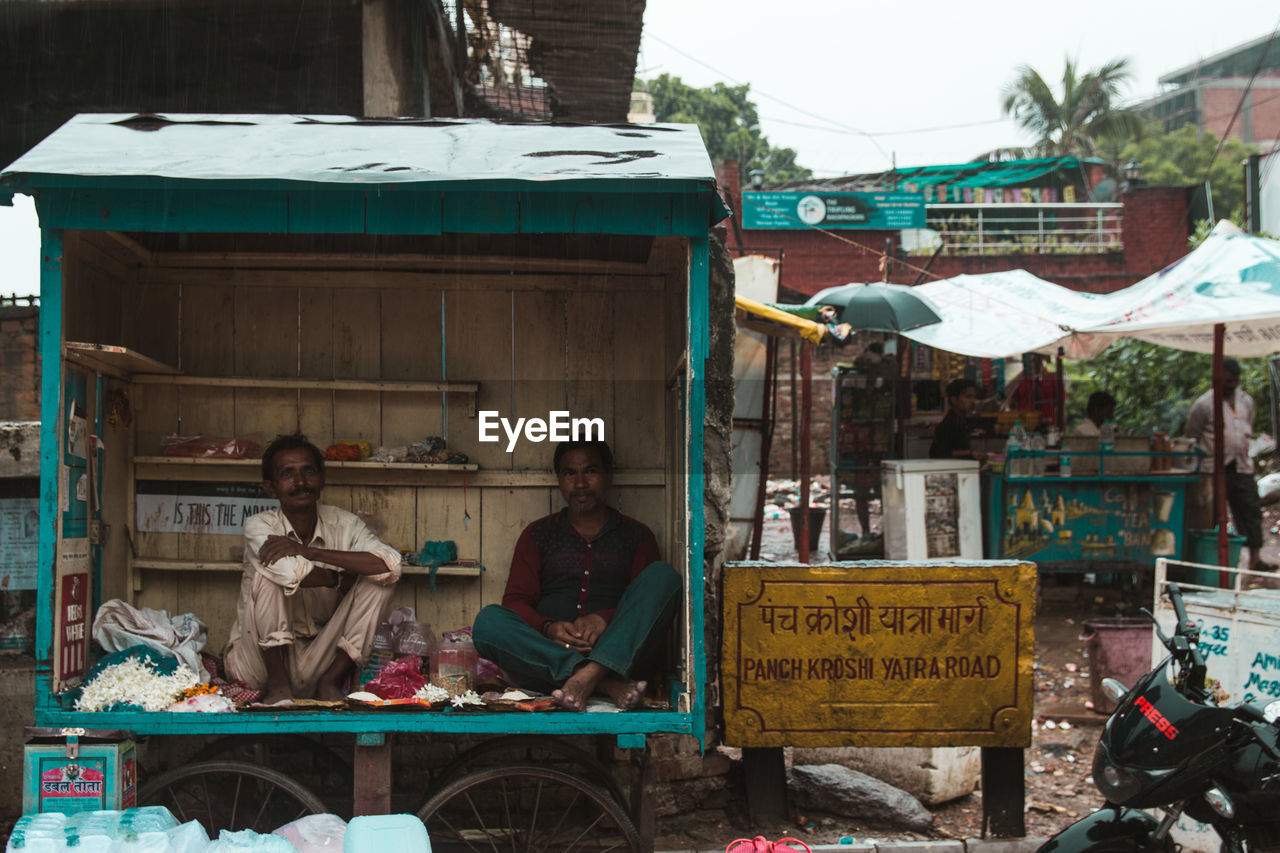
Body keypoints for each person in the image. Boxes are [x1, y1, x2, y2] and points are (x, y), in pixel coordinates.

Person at [472, 440, 682, 711]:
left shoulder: (637, 536)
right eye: (570, 473)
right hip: (546, 660)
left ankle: (591, 676)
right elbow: (515, 602)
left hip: (622, 660)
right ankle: (598, 682)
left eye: (591, 471)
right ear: (560, 479)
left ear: (608, 476)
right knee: (488, 622)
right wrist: (549, 628)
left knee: (663, 577)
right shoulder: (538, 535)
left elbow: (649, 606)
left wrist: (604, 619)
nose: (580, 483)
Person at [224, 435, 402, 703]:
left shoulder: (345, 524)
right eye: (288, 474)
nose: (300, 482)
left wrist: (310, 552)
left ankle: (330, 682)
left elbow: (391, 565)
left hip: (318, 659)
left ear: (322, 479)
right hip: (257, 664)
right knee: (269, 574)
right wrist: (335, 578)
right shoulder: (259, 526)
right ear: (271, 489)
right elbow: (288, 573)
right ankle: (278, 686)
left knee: (380, 580)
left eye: (308, 471)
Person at [1185, 359, 1269, 572]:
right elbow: (1192, 437)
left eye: (1234, 381)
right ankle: (1207, 563)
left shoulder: (1245, 402)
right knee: (1209, 515)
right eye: (1227, 381)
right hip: (1213, 469)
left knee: (1250, 511)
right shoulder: (1204, 404)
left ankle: (1254, 560)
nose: (1231, 385)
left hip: (1241, 467)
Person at [929, 378, 985, 461]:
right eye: (968, 397)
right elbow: (936, 453)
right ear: (954, 399)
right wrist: (969, 453)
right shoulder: (949, 423)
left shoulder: (961, 420)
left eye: (974, 397)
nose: (973, 401)